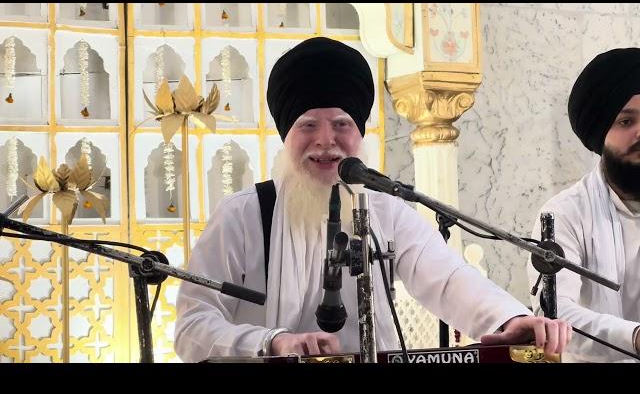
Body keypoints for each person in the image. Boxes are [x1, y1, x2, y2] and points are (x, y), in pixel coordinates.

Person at [175, 37, 571, 362]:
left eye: (342, 125)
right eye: (308, 125)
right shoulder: (244, 215)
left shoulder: (384, 209)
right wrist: (275, 342)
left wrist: (508, 319)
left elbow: (447, 278)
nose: (326, 141)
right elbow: (192, 329)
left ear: (360, 135)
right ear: (286, 136)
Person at [527, 48, 640, 363]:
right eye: (626, 121)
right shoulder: (565, 214)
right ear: (600, 132)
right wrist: (634, 337)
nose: (639, 132)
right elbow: (555, 314)